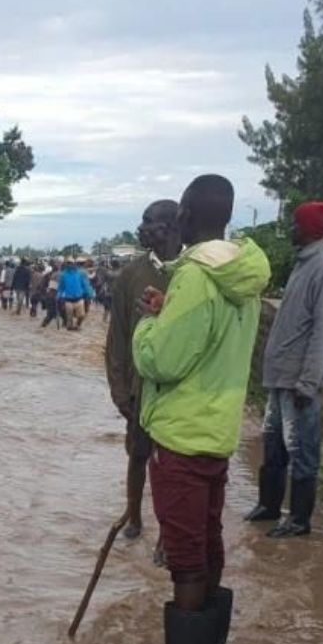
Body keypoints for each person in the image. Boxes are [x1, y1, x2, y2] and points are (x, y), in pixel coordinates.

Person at [133, 174, 270, 644]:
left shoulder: (194, 273)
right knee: (208, 545)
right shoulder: (244, 275)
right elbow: (213, 338)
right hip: (217, 431)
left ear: (186, 216)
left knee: (186, 559)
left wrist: (148, 328)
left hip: (181, 433)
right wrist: (171, 310)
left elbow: (163, 361)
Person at [245, 201, 323, 538]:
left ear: (309, 229)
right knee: (274, 443)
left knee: (301, 451)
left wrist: (308, 383)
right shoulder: (304, 263)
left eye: (294, 224)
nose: (290, 229)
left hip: (299, 381)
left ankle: (299, 520)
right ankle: (270, 505)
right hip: (282, 377)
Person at [105, 200, 182, 541]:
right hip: (140, 387)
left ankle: (169, 533)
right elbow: (117, 337)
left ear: (170, 226)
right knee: (137, 454)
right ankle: (134, 516)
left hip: (180, 391)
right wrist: (119, 390)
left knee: (173, 466)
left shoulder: (191, 272)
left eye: (148, 222)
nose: (141, 228)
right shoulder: (130, 274)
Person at [57, 258, 95, 331]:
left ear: (74, 264)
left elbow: (85, 285)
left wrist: (89, 293)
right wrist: (58, 295)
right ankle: (70, 329)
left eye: (71, 263)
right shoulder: (63, 275)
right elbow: (61, 287)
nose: (69, 265)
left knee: (81, 315)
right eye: (68, 263)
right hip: (68, 300)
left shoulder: (80, 274)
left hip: (79, 298)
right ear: (66, 264)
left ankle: (77, 325)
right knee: (69, 320)